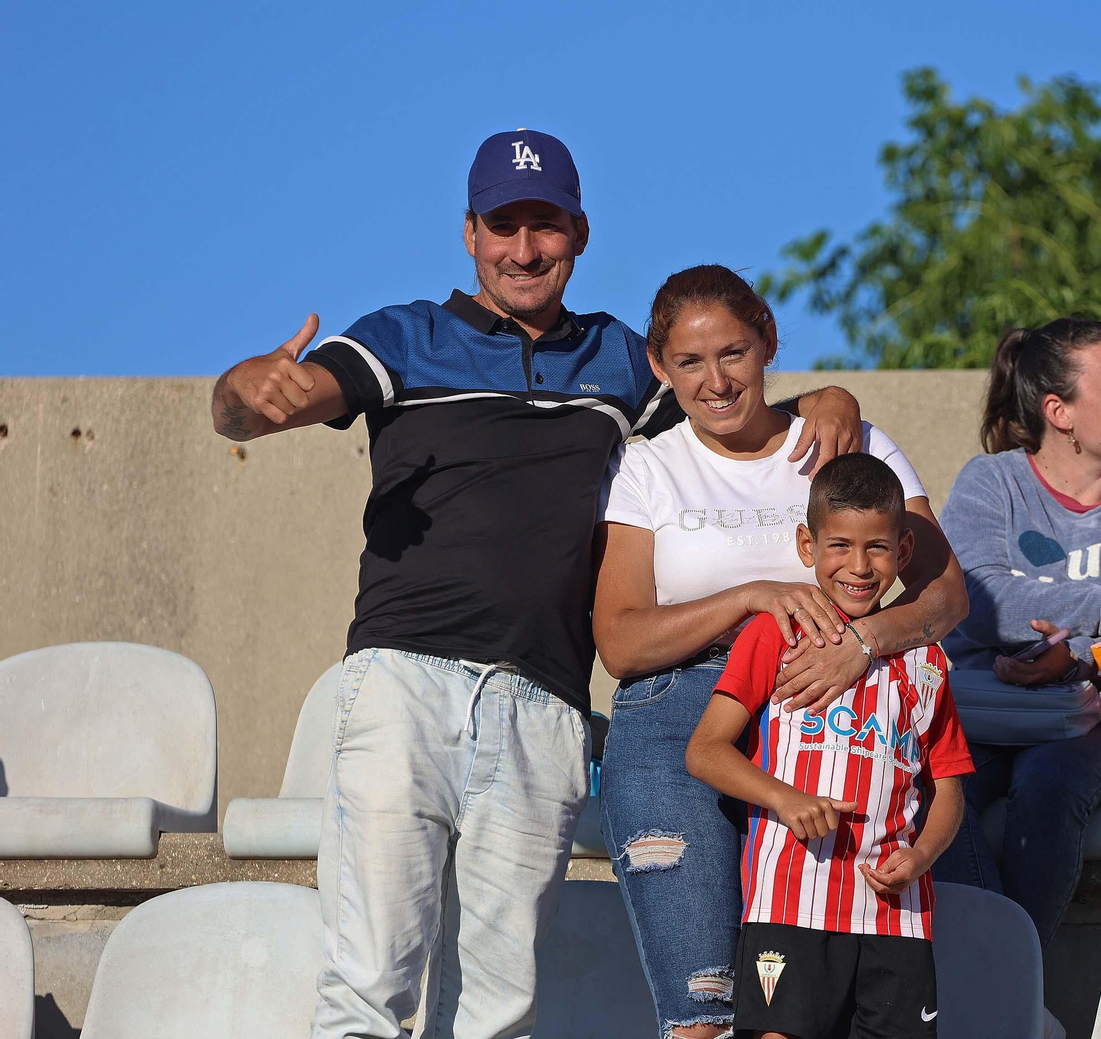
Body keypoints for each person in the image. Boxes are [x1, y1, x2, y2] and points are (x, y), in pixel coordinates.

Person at [209, 133, 861, 1039]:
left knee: (502, 1004)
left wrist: (826, 402)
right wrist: (246, 391)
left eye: (545, 225)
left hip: (545, 702)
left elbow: (731, 417)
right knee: (369, 987)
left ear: (580, 234)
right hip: (405, 681)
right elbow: (262, 402)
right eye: (504, 225)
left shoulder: (622, 359)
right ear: (470, 233)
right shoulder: (405, 335)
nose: (525, 248)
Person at [591, 265, 968, 1039]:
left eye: (733, 352)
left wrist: (863, 642)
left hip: (829, 712)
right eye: (689, 362)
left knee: (818, 1006)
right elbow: (620, 641)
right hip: (678, 717)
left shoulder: (845, 440)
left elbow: (946, 598)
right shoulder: (646, 468)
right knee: (704, 1011)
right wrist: (749, 596)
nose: (716, 380)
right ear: (660, 368)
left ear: (767, 339)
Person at [931, 318, 1101, 949]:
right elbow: (973, 601)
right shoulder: (990, 480)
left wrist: (1070, 663)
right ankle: (997, 987)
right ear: (1060, 411)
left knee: (1049, 783)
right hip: (984, 712)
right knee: (934, 791)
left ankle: (1010, 990)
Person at [685, 453, 973, 1039]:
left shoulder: (927, 661)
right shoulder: (777, 633)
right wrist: (784, 798)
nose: (859, 566)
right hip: (790, 905)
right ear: (806, 545)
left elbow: (948, 789)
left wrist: (920, 858)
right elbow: (706, 750)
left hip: (897, 918)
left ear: (904, 554)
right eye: (839, 545)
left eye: (878, 548)